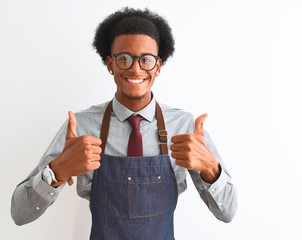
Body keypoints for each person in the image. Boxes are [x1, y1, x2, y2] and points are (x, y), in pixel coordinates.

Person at [11, 7, 237, 240]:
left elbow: (228, 213)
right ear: (110, 64)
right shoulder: (80, 126)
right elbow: (19, 214)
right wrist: (56, 171)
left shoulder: (184, 126)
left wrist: (212, 169)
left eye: (146, 60)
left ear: (158, 67)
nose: (135, 68)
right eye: (124, 58)